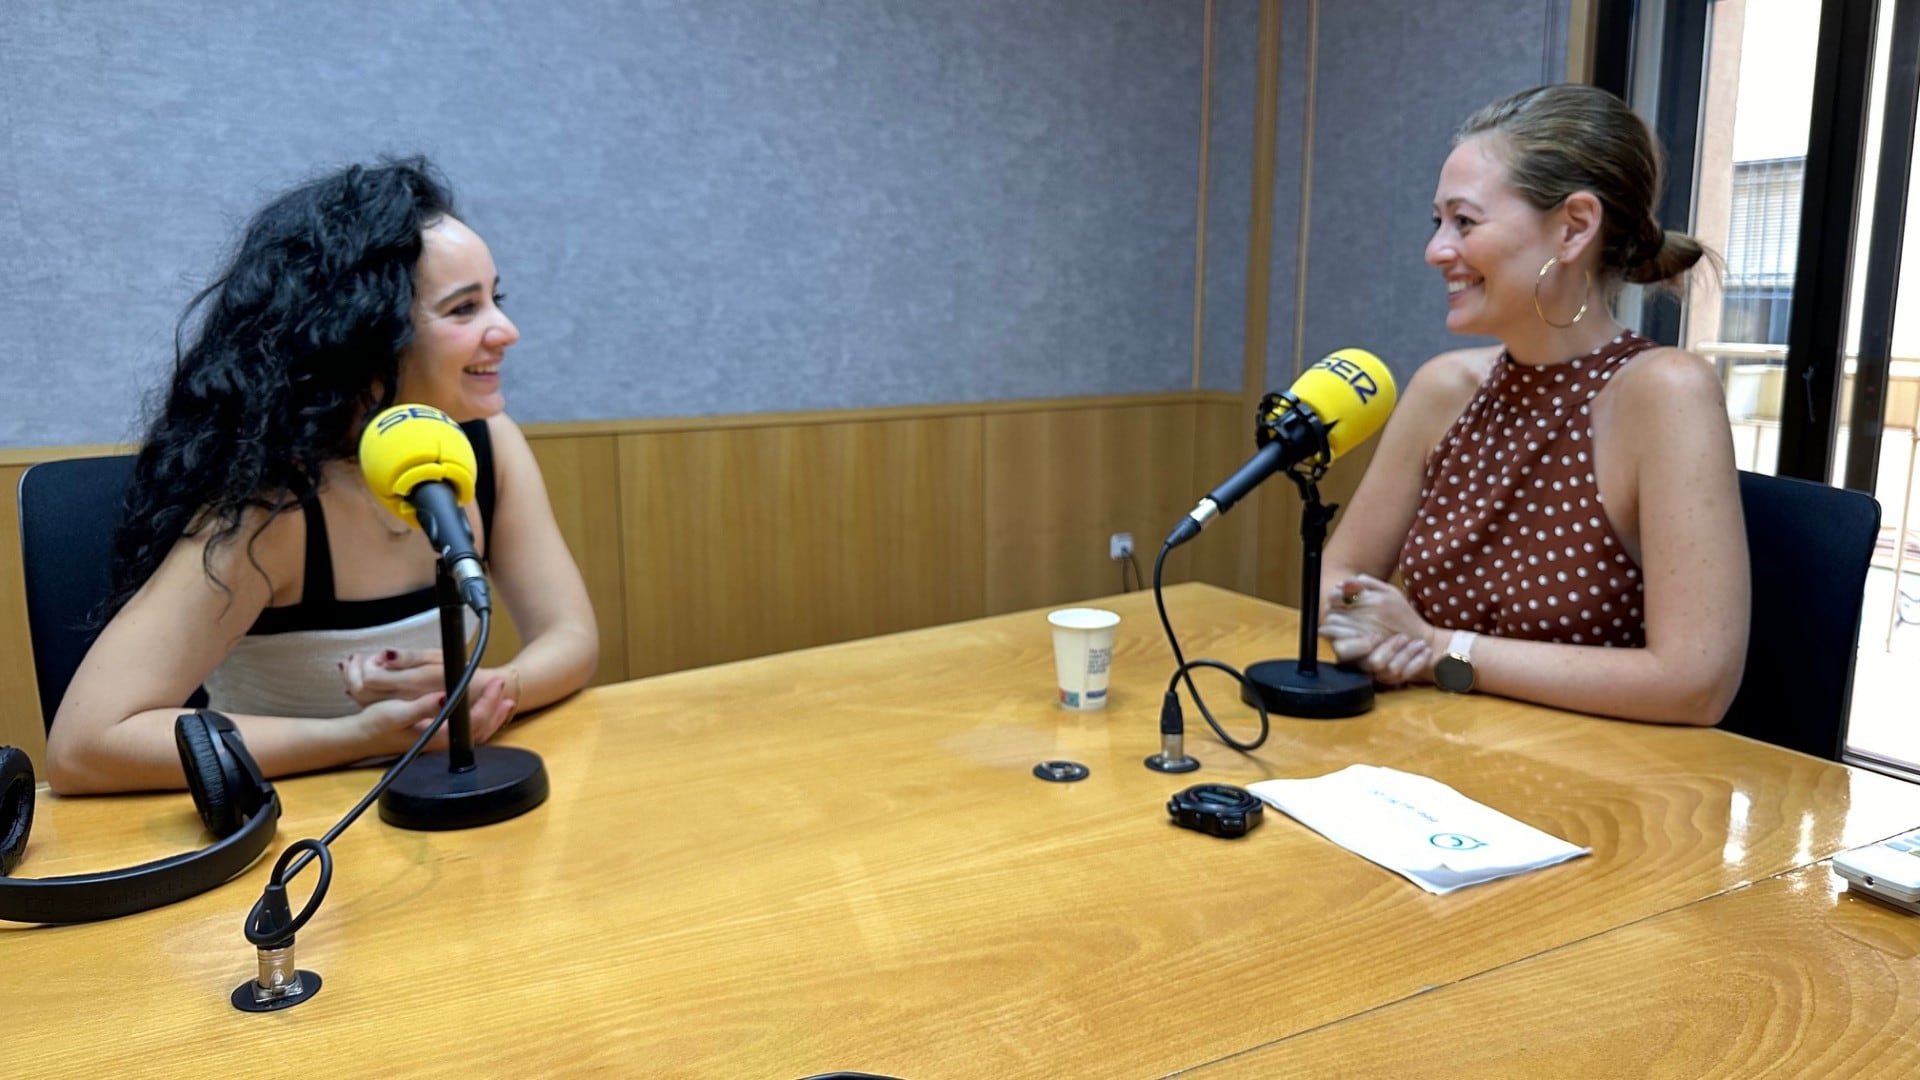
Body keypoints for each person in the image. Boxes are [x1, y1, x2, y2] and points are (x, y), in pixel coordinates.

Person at [46, 158, 599, 793]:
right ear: (365, 332)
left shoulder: (485, 442)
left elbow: (571, 635)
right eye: (463, 309)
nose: (506, 330)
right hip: (301, 834)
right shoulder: (272, 503)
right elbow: (84, 746)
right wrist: (356, 738)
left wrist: (491, 689)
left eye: (495, 299)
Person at [1316, 84, 1749, 726]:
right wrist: (1367, 622)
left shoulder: (1664, 392)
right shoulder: (1442, 388)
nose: (1436, 250)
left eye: (1465, 221)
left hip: (1606, 792)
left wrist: (1439, 650)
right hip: (1436, 760)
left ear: (1574, 227)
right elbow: (1338, 574)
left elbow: (1695, 682)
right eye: (1437, 222)